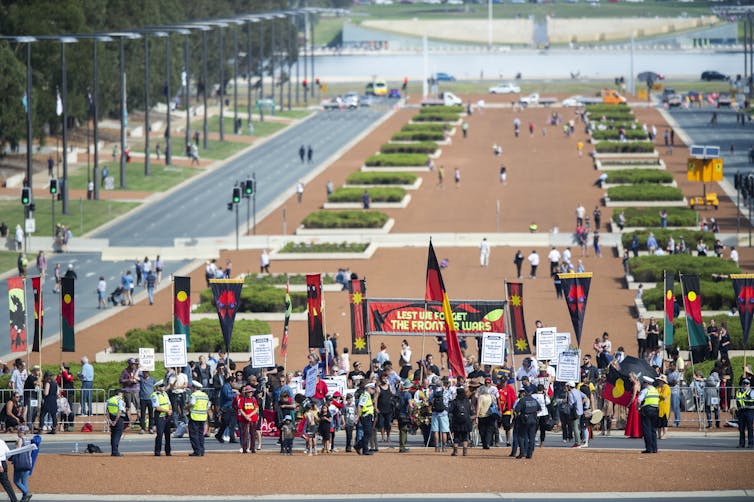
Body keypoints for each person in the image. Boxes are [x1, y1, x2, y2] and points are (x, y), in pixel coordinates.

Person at [448, 387, 473, 456]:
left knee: (456, 436)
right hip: (466, 421)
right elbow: (470, 411)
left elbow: (450, 410)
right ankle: (465, 451)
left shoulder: (454, 401)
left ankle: (455, 451)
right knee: (465, 436)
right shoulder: (467, 401)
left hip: (457, 421)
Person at [187, 380, 209, 456]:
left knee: (193, 434)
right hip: (203, 416)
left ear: (194, 388)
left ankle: (197, 451)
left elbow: (192, 404)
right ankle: (201, 450)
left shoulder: (194, 395)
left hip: (195, 416)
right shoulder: (205, 395)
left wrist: (186, 407)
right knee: (200, 434)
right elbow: (208, 406)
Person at [638, 376, 659, 453]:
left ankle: (649, 448)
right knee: (653, 430)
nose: (643, 384)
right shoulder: (655, 390)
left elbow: (639, 401)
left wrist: (638, 408)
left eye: (644, 383)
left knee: (647, 429)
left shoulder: (645, 390)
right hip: (655, 410)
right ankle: (654, 448)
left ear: (647, 383)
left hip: (647, 410)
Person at [235, 385, 259, 454]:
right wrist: (246, 416)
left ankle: (253, 448)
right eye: (249, 392)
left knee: (253, 434)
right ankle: (244, 448)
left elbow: (256, 408)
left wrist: (250, 415)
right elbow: (240, 409)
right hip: (245, 419)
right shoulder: (243, 399)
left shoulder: (253, 399)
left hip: (253, 418)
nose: (250, 394)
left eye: (251, 392)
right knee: (245, 434)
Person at [151, 380, 172, 456]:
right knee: (160, 434)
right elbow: (157, 407)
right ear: (157, 387)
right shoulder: (154, 395)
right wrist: (167, 411)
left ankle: (168, 451)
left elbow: (169, 403)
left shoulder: (165, 394)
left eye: (163, 386)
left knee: (168, 435)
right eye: (161, 386)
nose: (163, 387)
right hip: (160, 416)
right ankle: (157, 451)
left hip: (167, 416)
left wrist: (170, 410)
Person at [11, 425, 32, 502]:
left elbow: (18, 450)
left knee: (16, 481)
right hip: (27, 463)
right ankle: (24, 499)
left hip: (20, 463)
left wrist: (10, 455)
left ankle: (26, 493)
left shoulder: (20, 440)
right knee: (24, 481)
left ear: (22, 432)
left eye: (18, 431)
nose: (17, 432)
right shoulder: (29, 440)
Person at [356, 382, 376, 455]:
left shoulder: (368, 396)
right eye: (372, 389)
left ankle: (361, 447)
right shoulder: (365, 395)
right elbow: (360, 406)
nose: (373, 390)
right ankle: (361, 447)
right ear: (368, 388)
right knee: (368, 433)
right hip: (365, 416)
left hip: (368, 416)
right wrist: (358, 416)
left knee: (368, 433)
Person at [430, 382, 450, 452]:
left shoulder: (433, 392)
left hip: (435, 413)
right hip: (444, 413)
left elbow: (430, 400)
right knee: (444, 431)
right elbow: (450, 399)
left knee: (436, 431)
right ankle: (444, 447)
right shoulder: (445, 392)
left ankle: (437, 446)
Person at [0, 430, 18, 502]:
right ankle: (14, 499)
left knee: (6, 483)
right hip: (4, 463)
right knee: (6, 483)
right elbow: (8, 453)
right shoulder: (2, 441)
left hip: (0, 464)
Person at [107, 389, 126, 456]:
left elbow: (107, 410)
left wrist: (109, 419)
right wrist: (115, 421)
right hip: (118, 419)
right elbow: (120, 411)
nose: (123, 394)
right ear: (119, 393)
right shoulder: (120, 400)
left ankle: (113, 451)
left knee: (113, 435)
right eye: (122, 393)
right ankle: (115, 451)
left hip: (111, 418)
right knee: (117, 435)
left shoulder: (109, 400)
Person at [736, 378, 754, 448]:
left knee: (750, 428)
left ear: (749, 385)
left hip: (749, 411)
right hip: (741, 411)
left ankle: (751, 443)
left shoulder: (752, 392)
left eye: (747, 383)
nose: (745, 385)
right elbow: (737, 400)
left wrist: (747, 399)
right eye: (744, 383)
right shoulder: (738, 392)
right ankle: (741, 443)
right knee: (741, 428)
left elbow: (752, 400)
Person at [138, 370, 155, 434]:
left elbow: (156, 386)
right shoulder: (141, 379)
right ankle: (143, 428)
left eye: (146, 372)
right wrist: (139, 368)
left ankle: (151, 428)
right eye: (144, 373)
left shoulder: (152, 379)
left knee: (151, 414)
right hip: (143, 399)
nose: (145, 374)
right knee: (143, 414)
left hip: (150, 399)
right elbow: (134, 378)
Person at [656, 374, 670, 440]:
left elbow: (664, 396)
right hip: (658, 407)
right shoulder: (658, 387)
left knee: (664, 422)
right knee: (658, 423)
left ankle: (665, 434)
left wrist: (658, 394)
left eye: (660, 380)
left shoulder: (666, 387)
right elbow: (655, 393)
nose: (659, 381)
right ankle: (659, 434)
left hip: (664, 407)